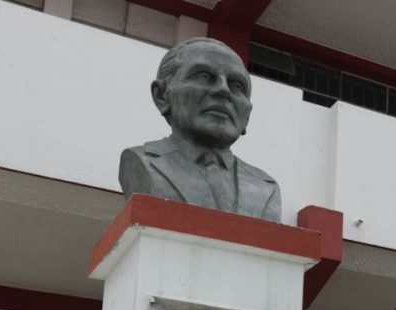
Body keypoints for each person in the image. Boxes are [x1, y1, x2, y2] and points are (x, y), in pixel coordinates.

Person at [119, 37, 281, 221]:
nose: (223, 90)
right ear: (162, 96)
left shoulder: (266, 187)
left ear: (246, 117)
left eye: (237, 86)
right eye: (203, 76)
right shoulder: (142, 162)